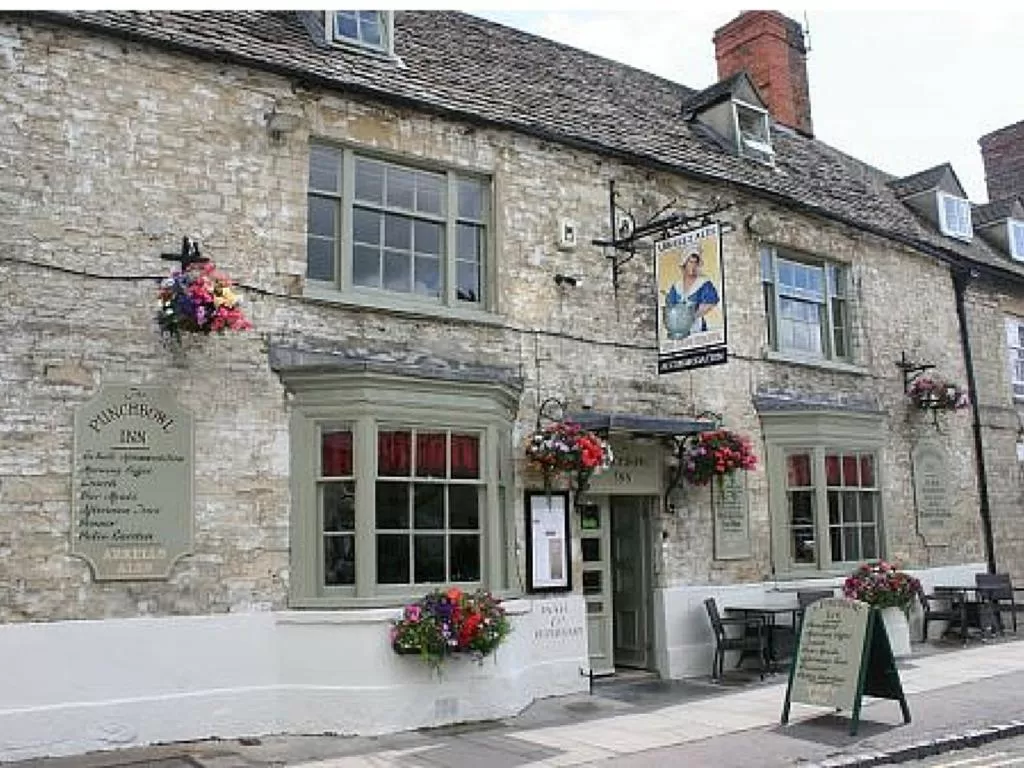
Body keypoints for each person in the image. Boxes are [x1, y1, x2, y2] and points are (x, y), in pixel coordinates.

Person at [663, 250, 720, 339]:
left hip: (697, 327)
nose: (693, 266)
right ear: (684, 264)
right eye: (690, 262)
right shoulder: (677, 285)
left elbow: (710, 302)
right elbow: (670, 306)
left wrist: (693, 316)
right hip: (679, 329)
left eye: (695, 263)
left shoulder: (703, 282)